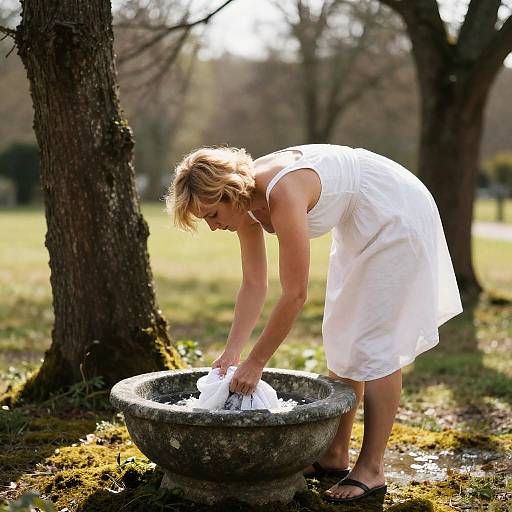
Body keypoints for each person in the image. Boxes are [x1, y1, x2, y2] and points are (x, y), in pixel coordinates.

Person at [164, 144, 463, 503]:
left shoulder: (282, 191)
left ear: (230, 193)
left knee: (373, 342)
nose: (213, 227)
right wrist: (232, 352)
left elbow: (295, 295)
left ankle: (371, 469)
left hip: (393, 209)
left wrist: (256, 362)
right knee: (341, 334)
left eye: (212, 214)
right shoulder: (245, 204)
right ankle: (334, 455)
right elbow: (254, 284)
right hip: (359, 221)